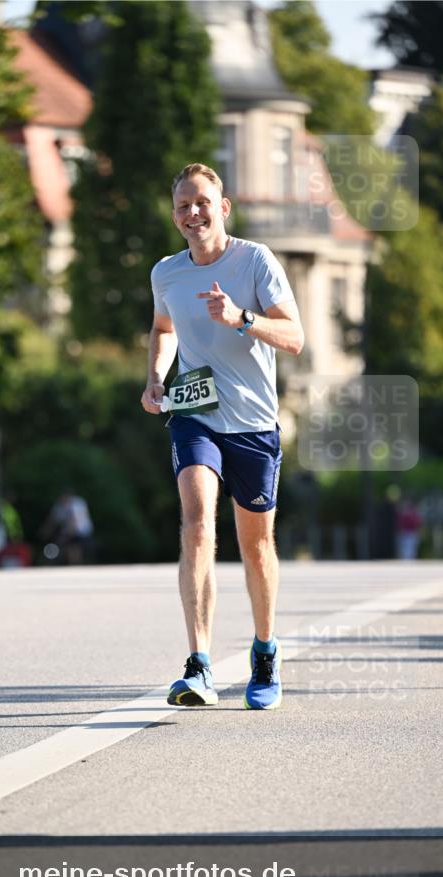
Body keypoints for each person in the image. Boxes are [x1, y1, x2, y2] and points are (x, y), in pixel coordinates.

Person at [141, 163, 304, 710]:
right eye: (183, 205)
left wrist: (241, 318)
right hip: (197, 415)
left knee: (256, 548)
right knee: (195, 520)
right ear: (174, 216)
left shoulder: (254, 260)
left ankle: (264, 652)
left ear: (223, 207)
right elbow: (164, 329)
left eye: (202, 202)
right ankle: (200, 663)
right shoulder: (166, 273)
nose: (193, 213)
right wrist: (156, 376)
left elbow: (295, 337)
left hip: (254, 423)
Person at [42, 490, 95, 566]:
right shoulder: (59, 506)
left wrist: (65, 535)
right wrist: (45, 531)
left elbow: (74, 521)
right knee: (68, 547)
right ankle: (73, 564)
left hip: (81, 531)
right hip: (68, 531)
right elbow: (52, 521)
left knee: (74, 547)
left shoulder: (77, 504)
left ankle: (76, 565)